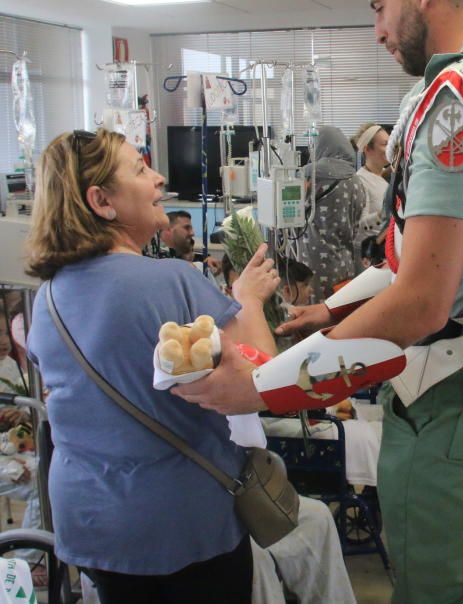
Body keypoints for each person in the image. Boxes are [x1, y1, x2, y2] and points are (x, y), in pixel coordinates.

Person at [168, 0, 463, 604]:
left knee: (434, 586)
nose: (378, 31)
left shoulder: (453, 103)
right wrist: (330, 310)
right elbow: (422, 253)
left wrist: (262, 387)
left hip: (453, 388)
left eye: (379, 8)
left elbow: (422, 299)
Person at [26, 128, 281, 604]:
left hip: (93, 524)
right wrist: (249, 299)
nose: (159, 177)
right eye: (141, 170)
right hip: (181, 523)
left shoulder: (48, 300)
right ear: (102, 201)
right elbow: (261, 377)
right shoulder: (171, 282)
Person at [299, 126, 366, 301]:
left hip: (314, 264)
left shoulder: (311, 173)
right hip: (346, 263)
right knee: (338, 311)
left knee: (315, 318)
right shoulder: (357, 180)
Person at [351, 123, 390, 239]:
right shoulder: (360, 181)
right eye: (384, 144)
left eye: (390, 143)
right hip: (377, 250)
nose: (390, 148)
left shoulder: (390, 174)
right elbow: (359, 226)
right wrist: (385, 213)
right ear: (367, 149)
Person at [159, 209, 221, 274]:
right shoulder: (155, 255)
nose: (192, 233)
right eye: (187, 228)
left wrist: (207, 260)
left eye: (191, 228)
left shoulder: (183, 249)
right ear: (168, 229)